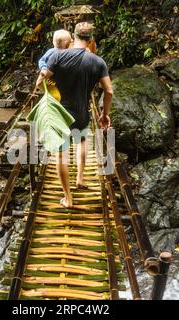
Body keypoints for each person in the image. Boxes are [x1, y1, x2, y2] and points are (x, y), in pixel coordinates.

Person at [35, 22, 113, 208]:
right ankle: (79, 178)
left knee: (61, 155)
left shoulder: (58, 56)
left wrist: (52, 91)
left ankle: (68, 198)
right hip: (81, 113)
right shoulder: (98, 62)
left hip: (61, 112)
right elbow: (109, 91)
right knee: (82, 142)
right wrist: (104, 114)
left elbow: (39, 83)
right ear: (91, 39)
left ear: (74, 36)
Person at [37, 29, 71, 101]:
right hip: (49, 79)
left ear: (53, 41)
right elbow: (42, 60)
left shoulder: (65, 53)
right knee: (56, 97)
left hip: (55, 80)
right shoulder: (52, 51)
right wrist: (43, 68)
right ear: (68, 44)